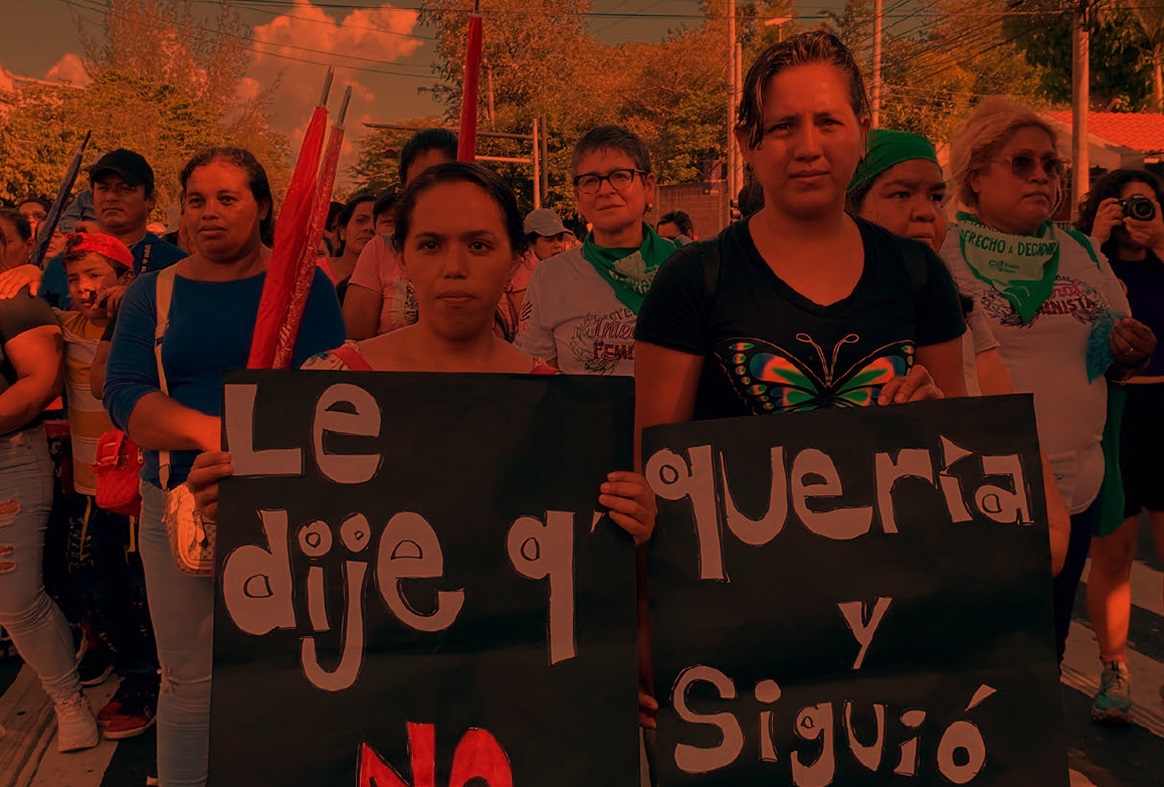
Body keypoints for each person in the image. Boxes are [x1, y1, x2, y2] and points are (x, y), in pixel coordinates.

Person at [103, 147, 346, 786]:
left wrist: (251, 455)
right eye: (196, 200)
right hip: (176, 507)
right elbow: (125, 393)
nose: (209, 213)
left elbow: (326, 394)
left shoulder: (304, 288)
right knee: (189, 681)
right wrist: (216, 435)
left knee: (291, 668)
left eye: (228, 198)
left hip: (287, 506)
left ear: (262, 206)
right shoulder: (152, 295)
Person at [940, 97, 1156, 667]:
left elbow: (1115, 349)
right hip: (985, 486)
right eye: (1021, 163)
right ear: (976, 177)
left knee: (1047, 650)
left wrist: (1126, 354)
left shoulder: (1081, 250)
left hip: (1078, 481)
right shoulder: (943, 253)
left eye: (1050, 165)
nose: (1042, 175)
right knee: (986, 653)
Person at [847, 128, 1071, 570]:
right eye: (900, 194)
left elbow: (1007, 436)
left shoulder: (964, 313)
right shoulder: (813, 327)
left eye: (935, 197)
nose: (925, 214)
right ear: (849, 206)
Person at [56, 232, 162, 741]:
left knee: (135, 583)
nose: (83, 288)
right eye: (74, 278)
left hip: (131, 484)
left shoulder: (141, 325)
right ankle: (126, 661)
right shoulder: (66, 326)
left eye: (96, 275)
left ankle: (145, 678)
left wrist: (133, 300)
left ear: (122, 278)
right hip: (86, 481)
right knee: (93, 576)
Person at [0, 209, 98, 753]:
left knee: (16, 600)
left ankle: (68, 701)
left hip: (10, 458)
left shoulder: (17, 301)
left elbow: (38, 384)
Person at [1077, 169, 1164, 722]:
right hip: (1115, 414)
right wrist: (1096, 244)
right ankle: (1114, 668)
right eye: (1123, 205)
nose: (1136, 215)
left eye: (1146, 205)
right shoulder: (1086, 263)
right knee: (1115, 552)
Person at [517, 125, 681, 376]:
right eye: (590, 181)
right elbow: (541, 371)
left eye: (620, 176)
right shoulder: (550, 276)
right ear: (577, 196)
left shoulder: (687, 267)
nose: (605, 190)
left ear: (648, 186)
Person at [0, 150, 187, 309]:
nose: (111, 197)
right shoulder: (61, 265)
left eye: (125, 188)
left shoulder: (175, 264)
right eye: (103, 189)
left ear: (151, 200)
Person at [343, 130, 458, 340]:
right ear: (404, 188)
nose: (433, 194)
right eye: (420, 185)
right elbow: (355, 340)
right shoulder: (381, 249)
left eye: (446, 180)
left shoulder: (494, 245)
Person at [326, 194, 376, 303]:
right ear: (342, 231)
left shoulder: (390, 281)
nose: (370, 228)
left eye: (377, 222)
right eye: (361, 220)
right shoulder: (315, 272)